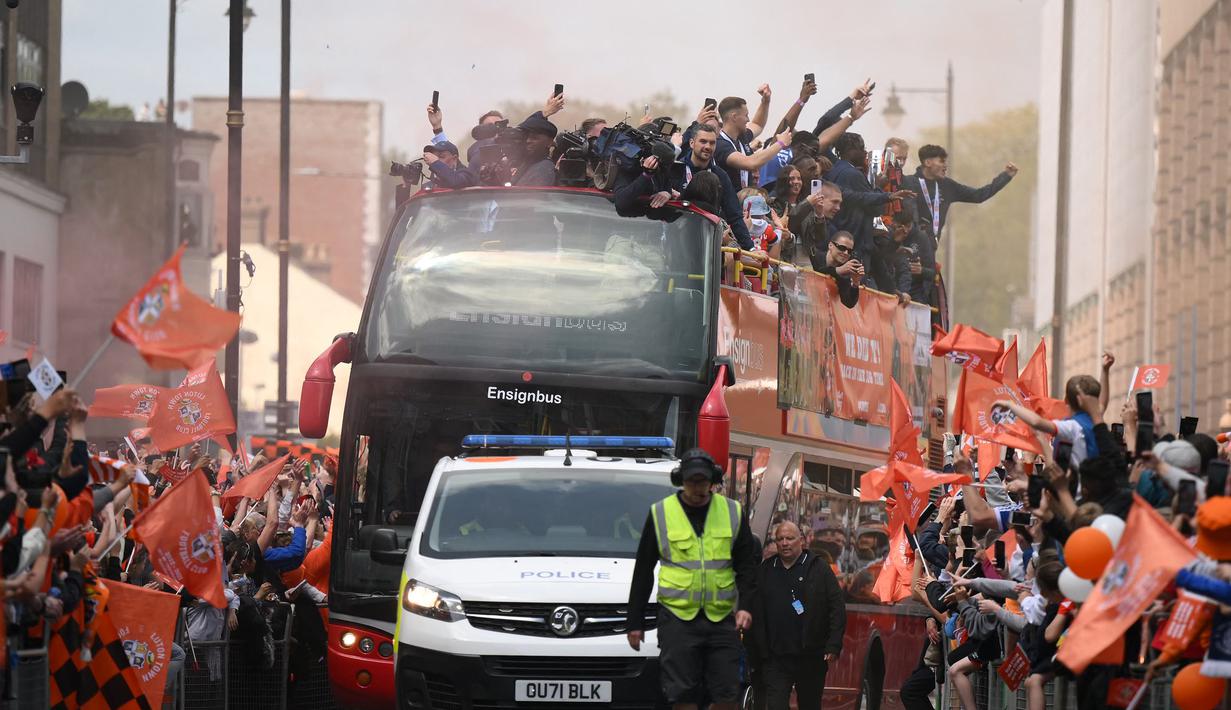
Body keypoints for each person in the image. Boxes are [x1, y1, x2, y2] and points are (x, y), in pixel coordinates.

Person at [626, 449, 758, 710]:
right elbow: (643, 571)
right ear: (681, 481)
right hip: (677, 619)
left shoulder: (732, 512)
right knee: (682, 696)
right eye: (691, 482)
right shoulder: (661, 513)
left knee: (727, 695)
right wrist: (635, 622)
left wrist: (745, 607)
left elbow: (747, 566)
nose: (697, 488)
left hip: (721, 618)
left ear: (713, 481)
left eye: (703, 482)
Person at [612, 124, 756, 250]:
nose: (707, 146)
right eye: (703, 141)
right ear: (692, 143)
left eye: (712, 143)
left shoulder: (720, 175)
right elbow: (648, 201)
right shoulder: (674, 168)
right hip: (669, 241)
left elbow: (735, 215)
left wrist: (750, 248)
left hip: (704, 244)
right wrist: (668, 192)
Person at [750, 521, 845, 710]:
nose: (785, 543)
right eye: (780, 539)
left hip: (811, 656)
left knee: (810, 704)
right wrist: (757, 650)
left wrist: (833, 645)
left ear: (801, 541)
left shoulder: (819, 569)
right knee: (775, 705)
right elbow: (755, 611)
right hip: (775, 657)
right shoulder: (765, 571)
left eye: (790, 538)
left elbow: (836, 607)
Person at [824, 132, 914, 287]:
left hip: (839, 240)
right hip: (855, 244)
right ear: (850, 150)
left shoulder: (834, 170)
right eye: (861, 147)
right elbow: (875, 209)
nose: (865, 152)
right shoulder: (853, 174)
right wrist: (880, 188)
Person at [898, 144, 1018, 248]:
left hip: (930, 251)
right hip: (907, 249)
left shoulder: (947, 185)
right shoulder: (908, 182)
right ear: (928, 162)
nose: (945, 166)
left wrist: (1006, 176)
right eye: (941, 161)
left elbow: (979, 195)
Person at [820, 231, 862, 308]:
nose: (846, 253)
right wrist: (838, 270)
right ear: (830, 245)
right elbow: (815, 270)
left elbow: (849, 303)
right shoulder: (815, 256)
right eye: (842, 248)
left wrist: (855, 283)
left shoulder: (845, 273)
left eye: (850, 251)